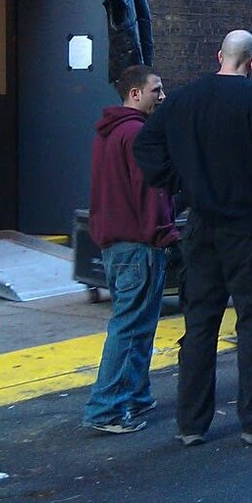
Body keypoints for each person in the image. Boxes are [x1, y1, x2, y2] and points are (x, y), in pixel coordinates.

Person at [134, 29, 252, 448]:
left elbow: (146, 146)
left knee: (200, 323)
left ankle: (191, 422)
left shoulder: (186, 100)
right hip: (248, 228)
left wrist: (179, 183)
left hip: (202, 226)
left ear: (219, 55)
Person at [82, 65, 175, 435]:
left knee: (136, 324)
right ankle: (105, 408)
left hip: (113, 243)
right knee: (131, 326)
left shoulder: (108, 133)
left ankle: (134, 395)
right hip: (139, 243)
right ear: (135, 94)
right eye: (157, 90)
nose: (162, 96)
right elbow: (150, 189)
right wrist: (165, 231)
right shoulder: (138, 133)